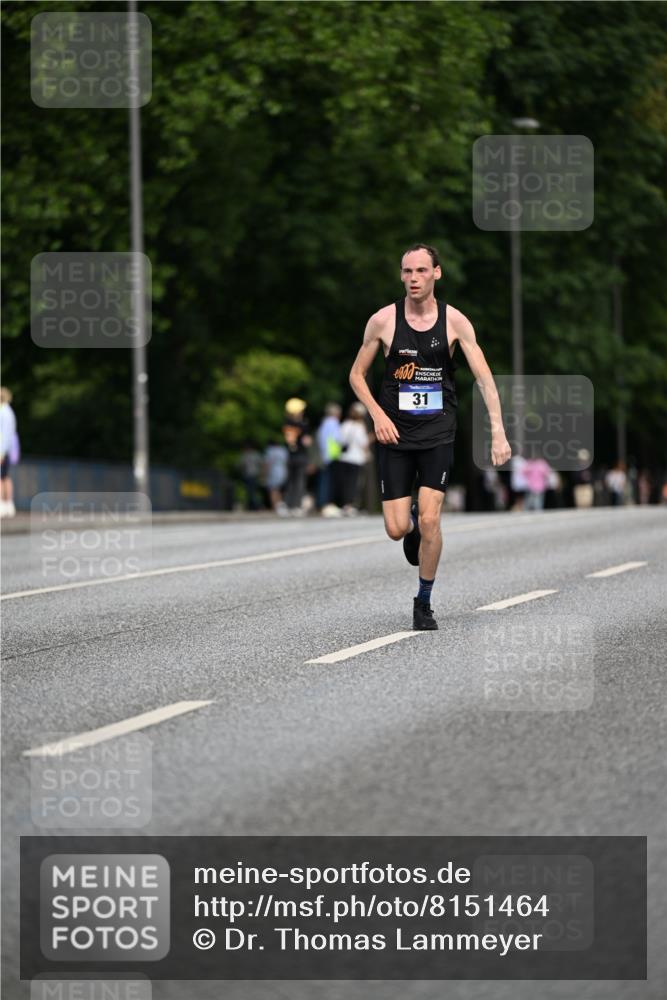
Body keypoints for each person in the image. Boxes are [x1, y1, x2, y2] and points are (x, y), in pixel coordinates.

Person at [349, 244, 511, 630]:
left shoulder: (455, 322)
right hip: (395, 435)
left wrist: (499, 432)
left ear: (436, 273)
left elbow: (485, 379)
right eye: (407, 272)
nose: (413, 279)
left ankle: (423, 602)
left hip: (438, 431)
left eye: (421, 271)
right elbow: (356, 375)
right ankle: (412, 524)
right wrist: (377, 415)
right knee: (395, 529)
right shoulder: (383, 322)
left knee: (433, 520)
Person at [338, 402, 372, 514]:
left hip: (344, 457)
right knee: (354, 483)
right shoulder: (360, 426)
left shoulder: (345, 424)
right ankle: (350, 505)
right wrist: (371, 438)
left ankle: (344, 505)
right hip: (356, 459)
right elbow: (363, 443)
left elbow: (340, 440)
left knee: (345, 482)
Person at [282, 397, 312, 515]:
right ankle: (296, 506)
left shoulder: (286, 424)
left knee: (290, 481)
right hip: (301, 455)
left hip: (290, 455)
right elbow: (306, 441)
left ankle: (288, 505)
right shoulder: (303, 425)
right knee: (299, 481)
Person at [316, 403, 343, 510]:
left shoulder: (323, 423)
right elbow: (338, 438)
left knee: (324, 479)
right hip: (333, 455)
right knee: (329, 481)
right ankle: (327, 503)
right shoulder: (333, 423)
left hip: (325, 455)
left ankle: (322, 502)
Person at [0, 386, 18, 518]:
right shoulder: (9, 411)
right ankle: (8, 505)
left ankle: (2, 504)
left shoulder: (3, 412)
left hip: (2, 449)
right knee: (5, 477)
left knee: (1, 477)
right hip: (6, 449)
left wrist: (1, 452)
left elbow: (4, 434)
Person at [263, 438, 289, 513]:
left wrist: (264, 474)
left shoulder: (270, 451)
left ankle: (274, 507)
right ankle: (280, 506)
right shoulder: (283, 450)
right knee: (279, 490)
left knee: (273, 490)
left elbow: (267, 463)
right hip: (283, 471)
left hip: (273, 471)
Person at [238, 442, 263, 510]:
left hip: (250, 475)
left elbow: (241, 465)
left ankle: (255, 506)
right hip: (253, 475)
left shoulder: (245, 455)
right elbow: (261, 464)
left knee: (251, 491)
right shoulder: (256, 454)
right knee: (252, 491)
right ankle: (253, 506)